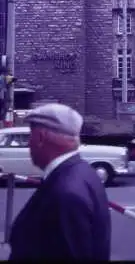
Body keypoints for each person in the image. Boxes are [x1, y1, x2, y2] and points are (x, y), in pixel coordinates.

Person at [9, 103, 111, 260]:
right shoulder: (83, 172)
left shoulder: (67, 193)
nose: (29, 143)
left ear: (41, 138)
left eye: (31, 135)